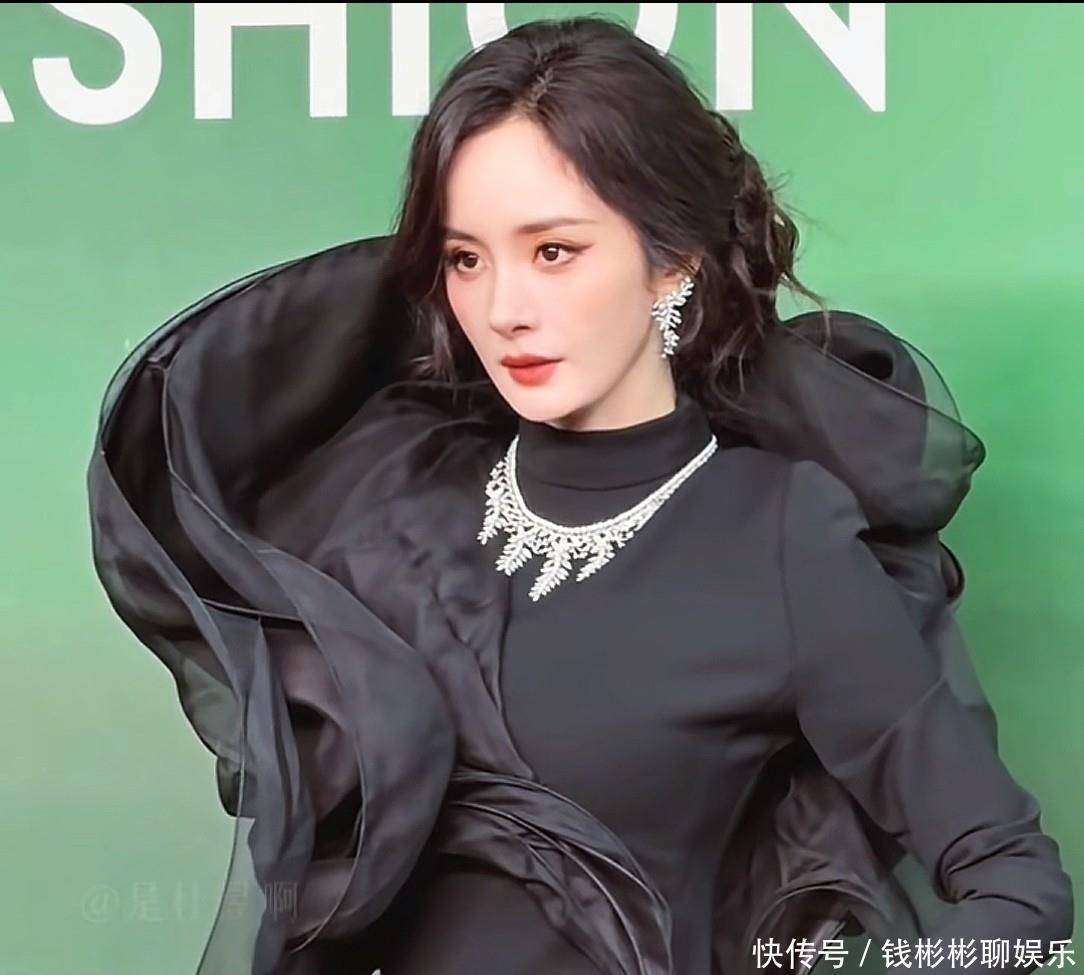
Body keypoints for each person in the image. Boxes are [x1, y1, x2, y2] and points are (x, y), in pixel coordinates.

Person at [85, 14, 1074, 975]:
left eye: (553, 251)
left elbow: (1017, 889)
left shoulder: (779, 537)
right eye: (466, 259)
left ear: (671, 263)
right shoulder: (384, 500)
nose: (503, 308)